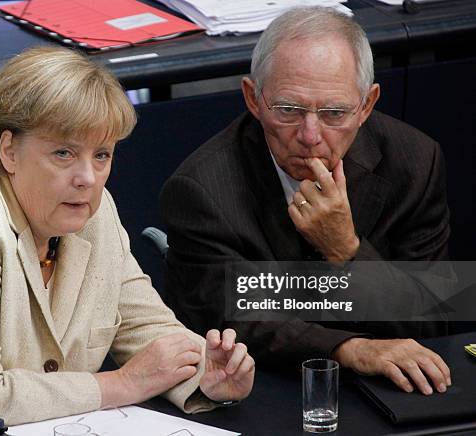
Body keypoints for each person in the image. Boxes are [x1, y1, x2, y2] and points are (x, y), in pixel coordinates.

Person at [0, 47, 254, 425]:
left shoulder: (92, 212)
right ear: (9, 150)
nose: (87, 178)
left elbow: (146, 329)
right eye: (64, 154)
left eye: (101, 155)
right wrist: (122, 383)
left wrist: (207, 374)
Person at [160, 7, 452, 397]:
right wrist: (350, 348)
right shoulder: (202, 189)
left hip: (395, 384)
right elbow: (238, 323)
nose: (310, 135)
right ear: (253, 98)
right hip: (264, 387)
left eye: (334, 113)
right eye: (289, 110)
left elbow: (434, 316)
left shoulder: (414, 161)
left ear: (366, 105)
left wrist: (346, 250)